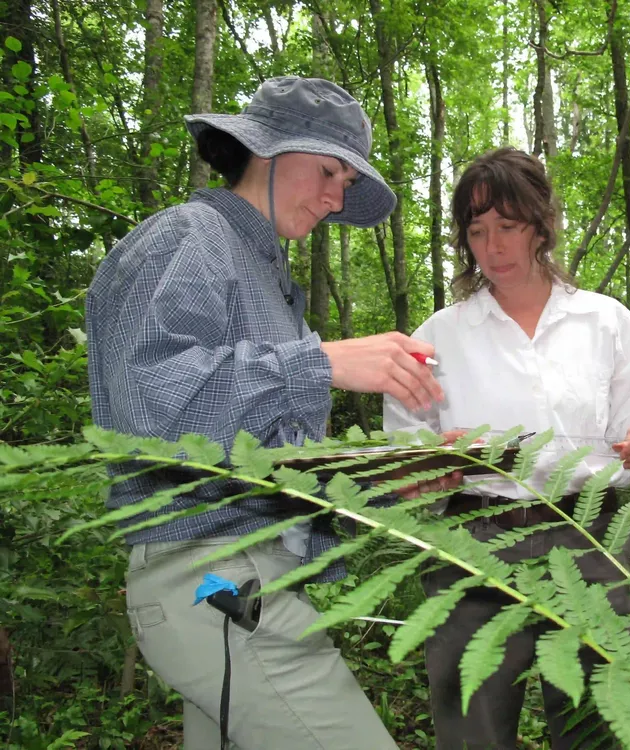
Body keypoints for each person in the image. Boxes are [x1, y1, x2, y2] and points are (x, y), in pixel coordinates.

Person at [86, 76, 443, 750]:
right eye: (330, 171)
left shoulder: (272, 280)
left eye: (347, 182)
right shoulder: (189, 236)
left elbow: (260, 459)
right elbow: (147, 406)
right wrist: (320, 362)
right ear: (270, 151)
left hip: (248, 576)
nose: (338, 197)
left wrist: (384, 476)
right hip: (209, 574)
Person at [383, 147, 630, 750]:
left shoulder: (605, 320)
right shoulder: (437, 337)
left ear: (541, 225)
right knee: (472, 726)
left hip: (595, 536)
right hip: (475, 541)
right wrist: (434, 462)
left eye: (509, 227)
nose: (493, 247)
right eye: (477, 230)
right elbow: (402, 455)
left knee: (605, 723)